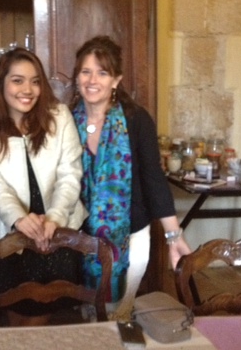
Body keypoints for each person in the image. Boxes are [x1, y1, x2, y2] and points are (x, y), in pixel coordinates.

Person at [70, 35, 191, 322]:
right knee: (85, 315)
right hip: (76, 237)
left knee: (119, 314)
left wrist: (174, 237)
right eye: (86, 71)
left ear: (116, 80)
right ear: (77, 77)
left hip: (131, 235)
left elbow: (154, 179)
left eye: (102, 72)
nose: (92, 80)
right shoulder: (64, 120)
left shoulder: (136, 120)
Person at [0, 48, 87, 326]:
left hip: (57, 229)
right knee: (15, 315)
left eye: (35, 81)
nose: (28, 90)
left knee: (41, 316)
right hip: (11, 235)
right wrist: (18, 219)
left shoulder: (59, 116)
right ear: (1, 84)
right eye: (17, 80)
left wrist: (55, 219)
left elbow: (70, 174)